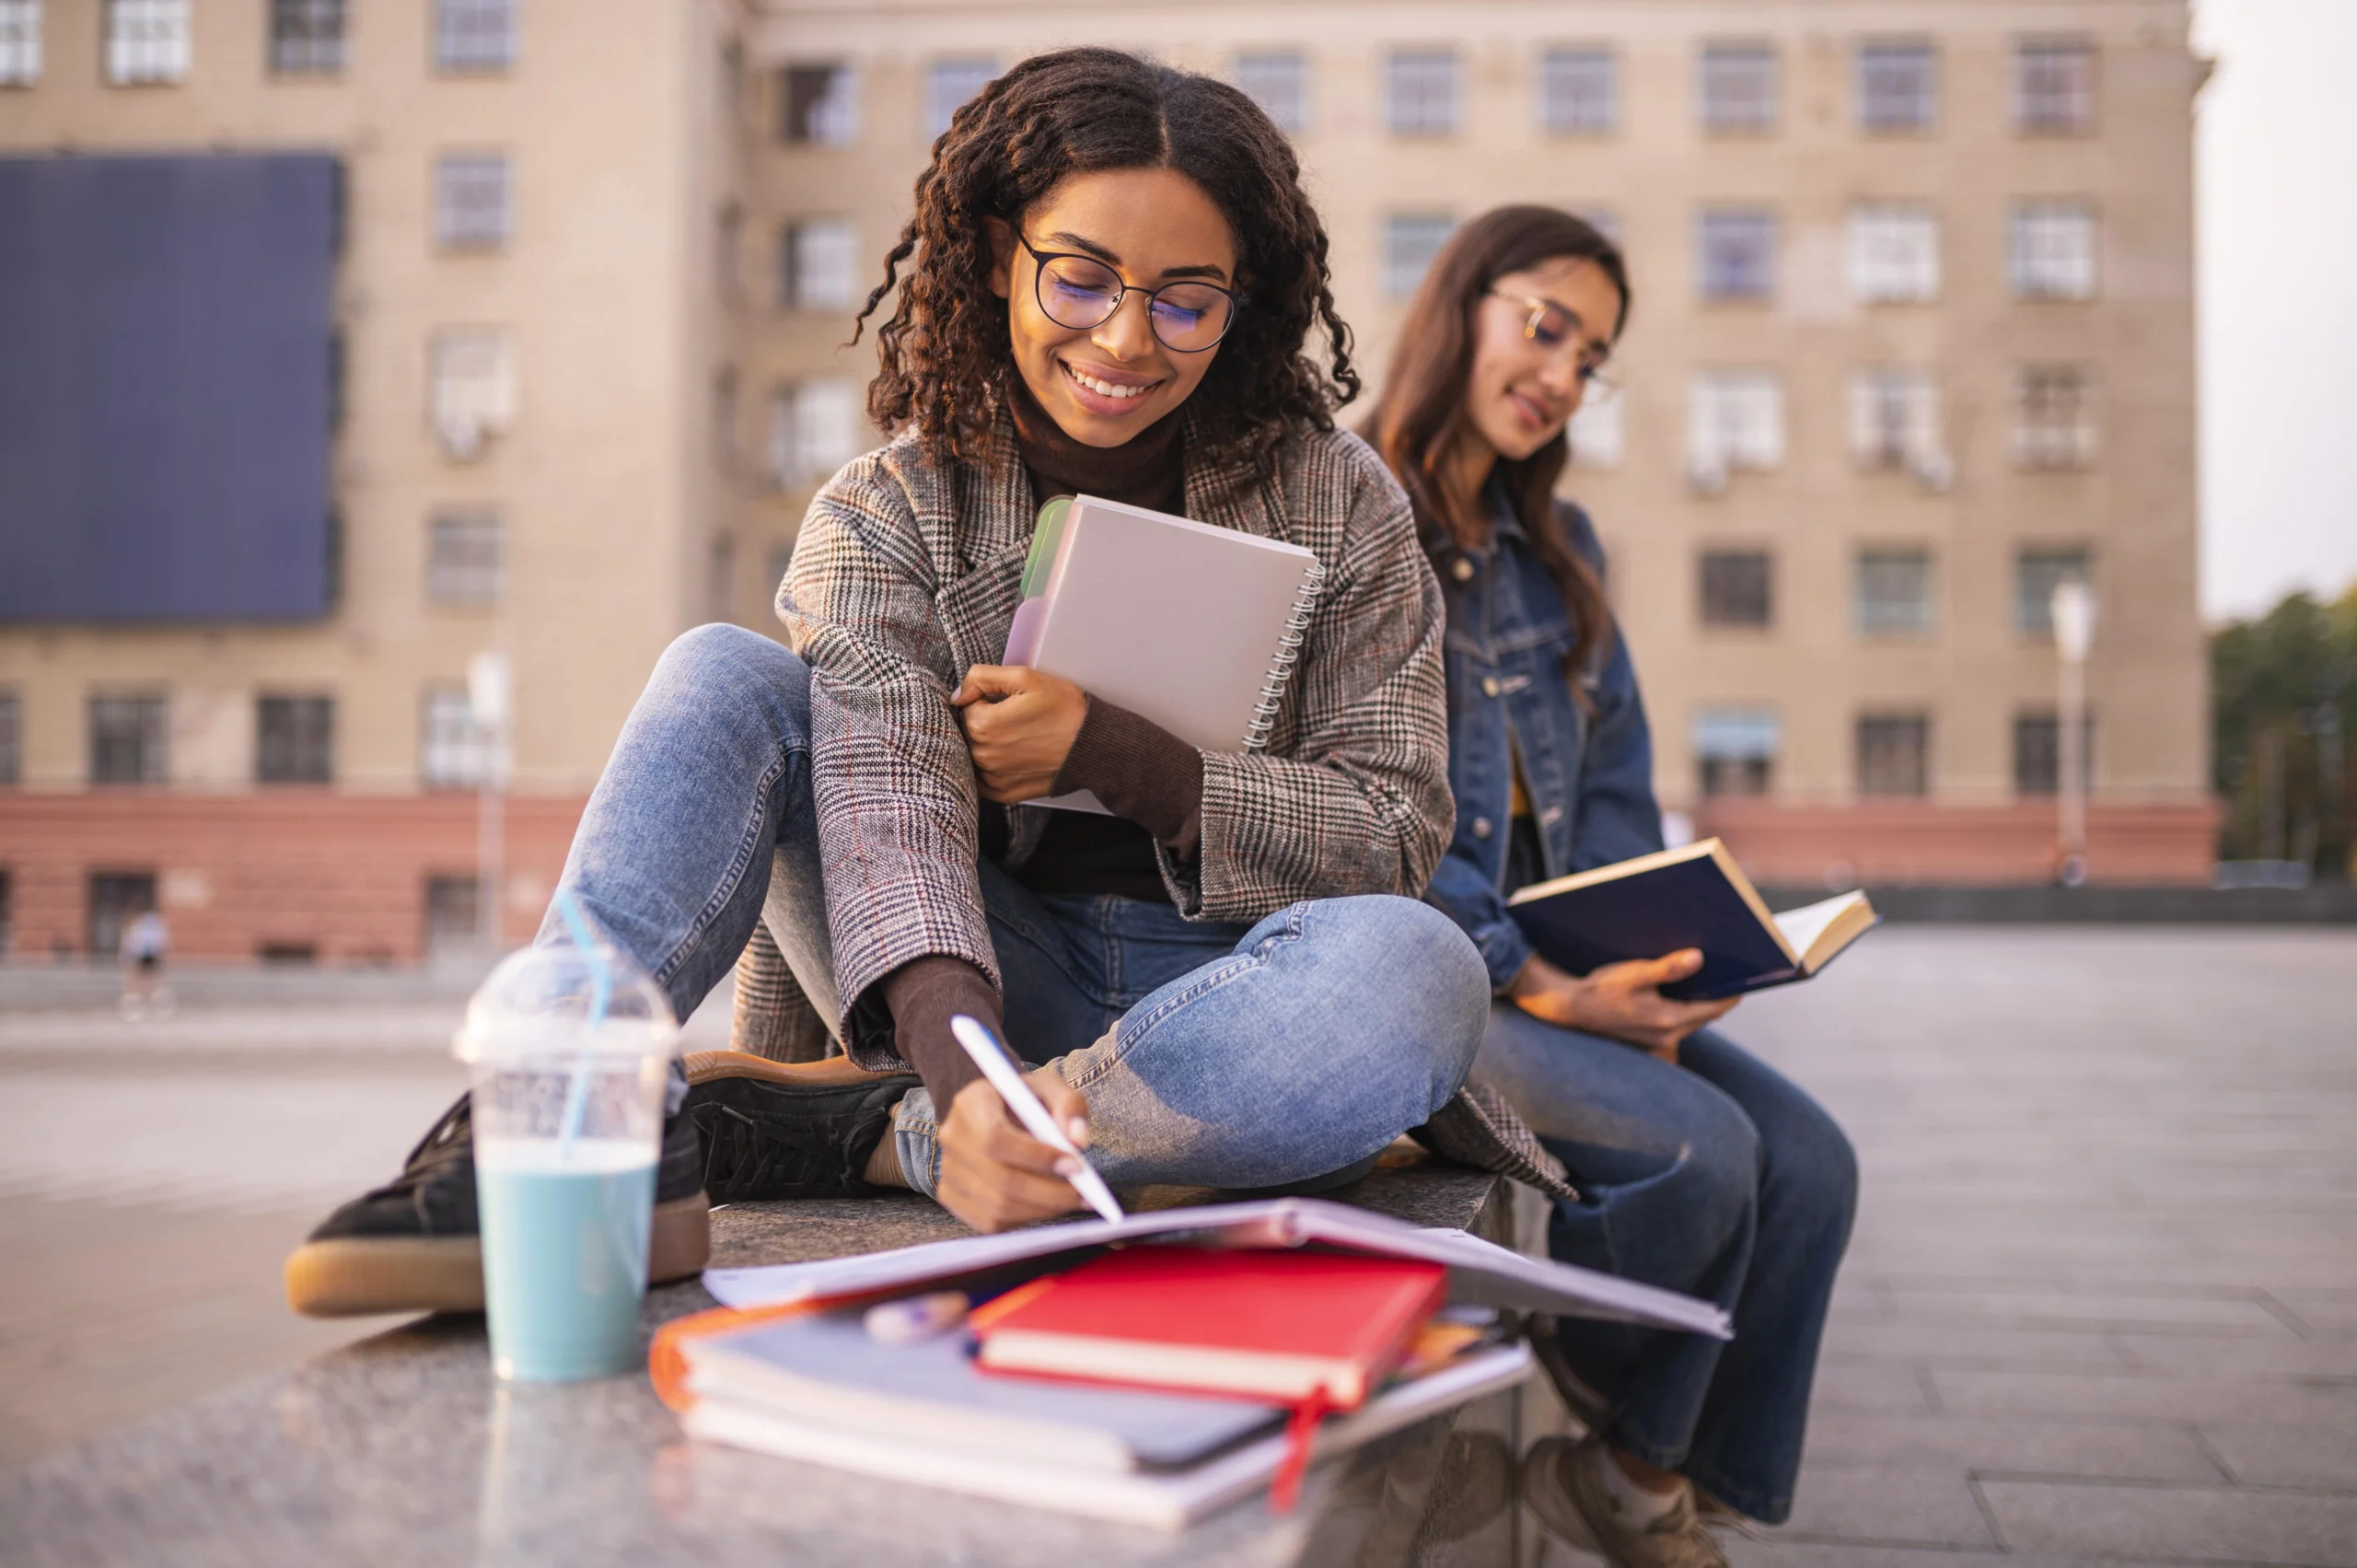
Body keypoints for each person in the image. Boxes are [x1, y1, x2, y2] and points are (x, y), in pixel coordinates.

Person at [287, 48, 1492, 1316]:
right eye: (1080, 279)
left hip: (1245, 997)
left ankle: (889, 1134)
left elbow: (1393, 830)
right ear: (991, 256)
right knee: (724, 674)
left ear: (1246, 302)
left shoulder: (1341, 498)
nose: (1128, 339)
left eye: (1188, 300)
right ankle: (558, 1120)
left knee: (1421, 968)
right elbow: (884, 819)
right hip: (971, 967)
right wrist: (969, 1067)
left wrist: (1120, 755)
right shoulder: (887, 509)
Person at [1365, 207, 1859, 1564]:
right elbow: (1373, 814)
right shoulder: (1352, 512)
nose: (1563, 375)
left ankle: (1634, 1476)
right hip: (1434, 973)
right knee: (1709, 1156)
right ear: (1461, 304)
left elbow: (1623, 804)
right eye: (1546, 327)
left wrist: (1669, 954)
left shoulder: (1561, 548)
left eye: (1592, 358)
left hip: (1573, 972)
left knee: (1814, 1161)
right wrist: (1545, 981)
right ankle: (1612, 1439)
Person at [120, 907, 170, 1019]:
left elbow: (131, 944)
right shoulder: (151, 924)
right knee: (147, 981)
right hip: (146, 955)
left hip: (144, 955)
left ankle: (149, 1003)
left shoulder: (139, 926)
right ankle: (147, 1003)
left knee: (143, 981)